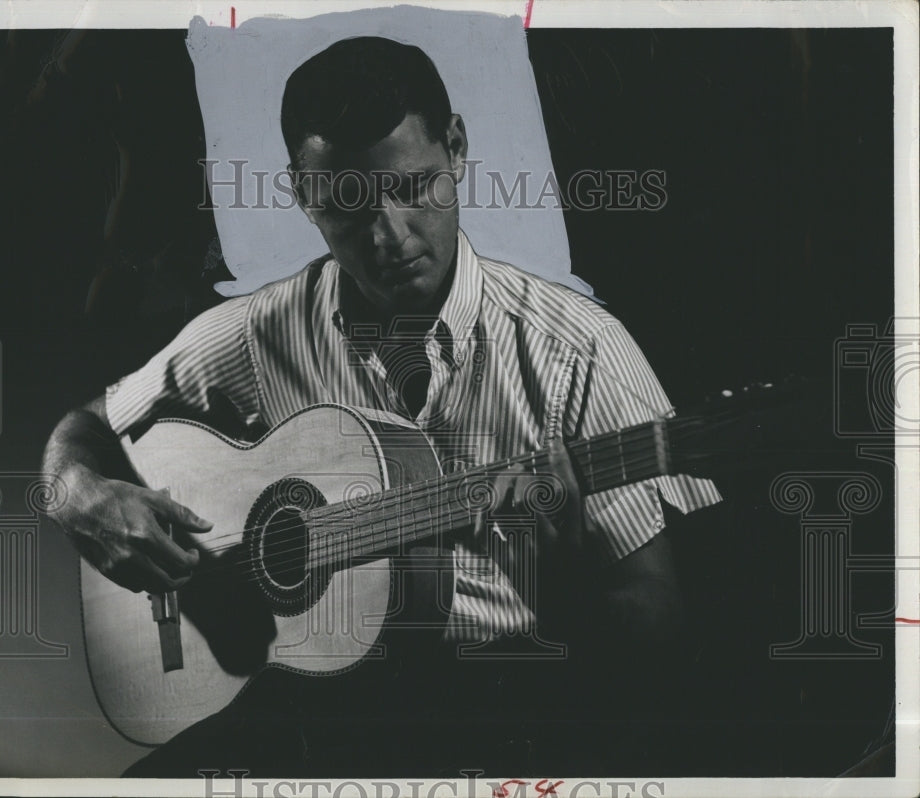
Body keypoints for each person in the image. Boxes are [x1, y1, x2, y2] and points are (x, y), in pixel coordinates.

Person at [43, 36, 721, 777]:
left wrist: (568, 593)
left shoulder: (581, 351)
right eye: (348, 206)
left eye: (412, 188)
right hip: (314, 704)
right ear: (304, 195)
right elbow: (84, 427)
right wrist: (77, 492)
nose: (389, 236)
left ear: (456, 148)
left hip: (512, 701)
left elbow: (658, 628)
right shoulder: (264, 329)